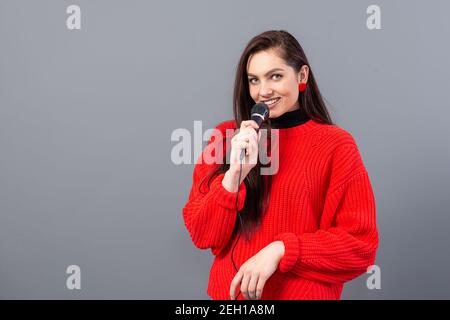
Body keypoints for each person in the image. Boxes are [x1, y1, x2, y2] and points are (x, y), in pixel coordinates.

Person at [182, 30, 379, 300]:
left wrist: (282, 249)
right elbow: (204, 236)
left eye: (275, 76)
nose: (263, 91)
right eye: (254, 80)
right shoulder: (226, 137)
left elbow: (360, 247)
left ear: (301, 76)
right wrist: (234, 176)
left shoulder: (336, 145)